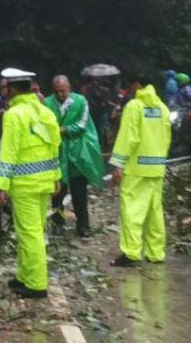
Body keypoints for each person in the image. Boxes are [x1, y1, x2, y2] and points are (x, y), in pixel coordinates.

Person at [0, 68, 62, 299]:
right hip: (44, 182)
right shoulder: (45, 112)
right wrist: (56, 176)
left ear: (12, 89)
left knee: (29, 233)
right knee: (32, 230)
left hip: (25, 184)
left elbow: (8, 153)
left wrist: (0, 185)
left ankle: (36, 284)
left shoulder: (14, 115)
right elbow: (54, 147)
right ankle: (24, 276)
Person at [109, 74, 172, 267]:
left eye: (130, 86)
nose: (129, 90)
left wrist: (118, 164)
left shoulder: (134, 107)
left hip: (136, 168)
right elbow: (167, 138)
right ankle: (156, 253)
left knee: (132, 211)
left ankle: (131, 253)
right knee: (154, 212)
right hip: (157, 167)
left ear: (137, 84)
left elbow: (128, 137)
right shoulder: (163, 108)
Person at [45, 75, 105, 238]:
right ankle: (57, 224)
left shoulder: (80, 101)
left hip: (76, 154)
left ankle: (83, 226)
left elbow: (82, 124)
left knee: (79, 192)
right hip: (57, 153)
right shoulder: (47, 103)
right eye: (57, 91)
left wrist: (63, 130)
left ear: (69, 88)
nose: (60, 95)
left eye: (63, 91)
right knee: (57, 192)